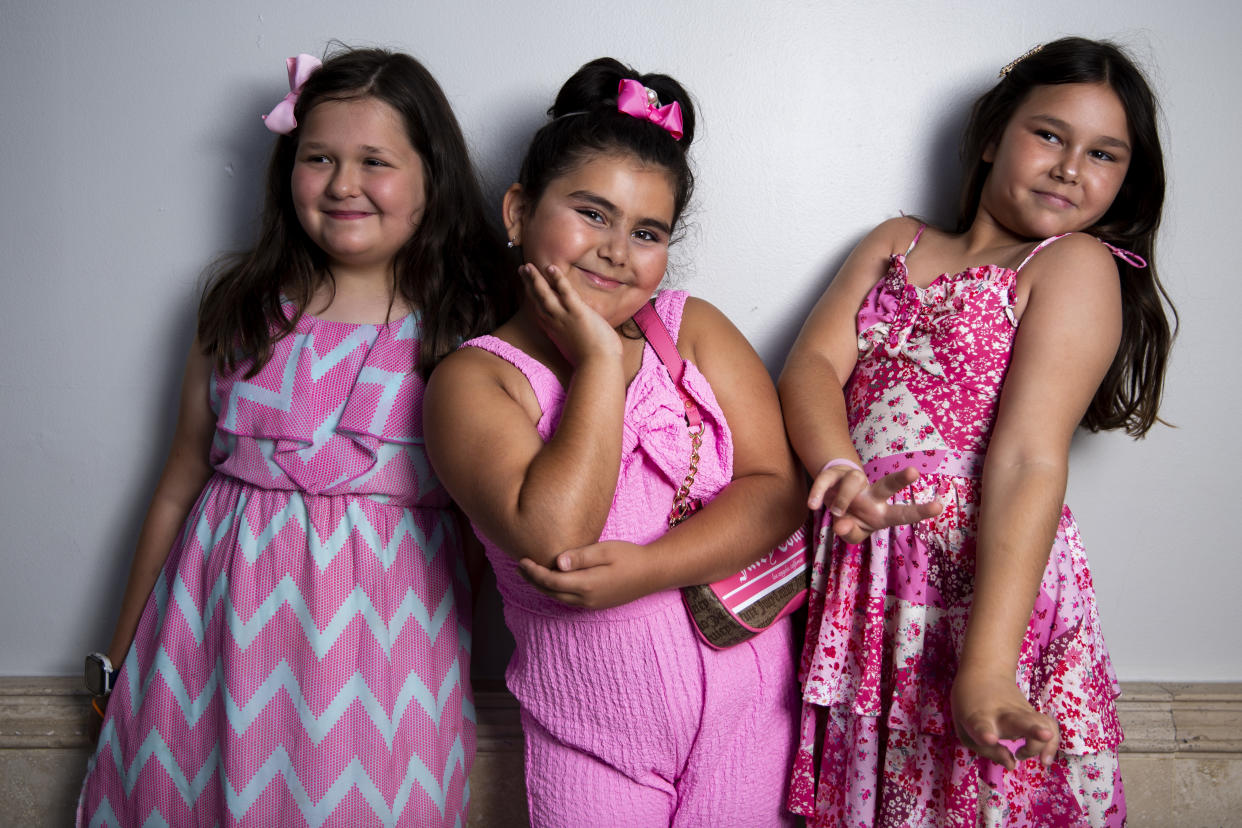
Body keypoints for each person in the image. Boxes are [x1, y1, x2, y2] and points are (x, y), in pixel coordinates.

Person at [76, 47, 515, 827]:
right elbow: (178, 482)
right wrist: (118, 659)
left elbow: (488, 539)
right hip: (205, 659)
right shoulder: (241, 306)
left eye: (374, 161)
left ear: (431, 179)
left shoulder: (467, 330)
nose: (343, 184)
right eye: (319, 158)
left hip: (384, 675)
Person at [780, 37, 1175, 827]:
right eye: (1050, 134)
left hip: (984, 584)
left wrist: (991, 665)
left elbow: (1030, 459)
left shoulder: (1072, 265)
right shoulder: (898, 242)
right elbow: (811, 367)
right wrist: (841, 469)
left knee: (978, 789)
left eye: (1104, 153)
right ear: (994, 135)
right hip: (873, 570)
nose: (1070, 166)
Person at [423, 58, 806, 827]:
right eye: (591, 214)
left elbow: (777, 491)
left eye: (648, 232)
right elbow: (554, 533)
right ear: (518, 211)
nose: (617, 251)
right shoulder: (474, 382)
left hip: (755, 716)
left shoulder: (690, 329)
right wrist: (598, 361)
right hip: (593, 737)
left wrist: (650, 570)